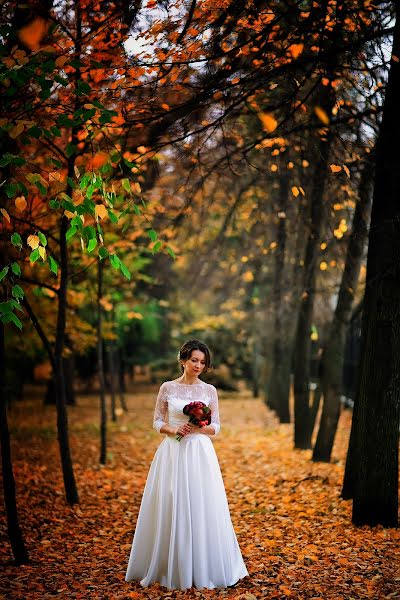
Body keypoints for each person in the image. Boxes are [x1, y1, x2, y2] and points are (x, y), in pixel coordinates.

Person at [125, 339, 248, 590]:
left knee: (200, 503)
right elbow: (157, 421)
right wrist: (174, 429)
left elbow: (217, 427)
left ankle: (203, 565)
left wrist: (199, 427)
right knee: (172, 501)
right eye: (194, 360)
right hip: (172, 452)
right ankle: (168, 565)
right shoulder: (167, 388)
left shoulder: (209, 391)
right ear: (183, 360)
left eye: (202, 362)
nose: (198, 365)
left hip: (199, 453)